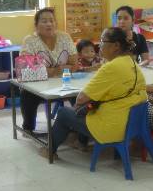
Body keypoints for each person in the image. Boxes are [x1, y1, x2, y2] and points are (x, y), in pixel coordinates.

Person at [46, 27, 146, 157]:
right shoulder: (131, 62)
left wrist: (79, 105)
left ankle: (50, 151)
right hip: (131, 125)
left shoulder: (111, 67)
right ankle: (80, 142)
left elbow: (81, 98)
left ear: (116, 46)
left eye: (103, 41)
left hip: (112, 127)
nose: (99, 45)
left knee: (64, 113)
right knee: (86, 108)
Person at [20, 8, 78, 133]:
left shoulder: (64, 37)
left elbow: (74, 64)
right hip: (38, 84)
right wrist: (57, 70)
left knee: (80, 94)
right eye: (44, 21)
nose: (49, 24)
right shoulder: (30, 41)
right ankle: (28, 128)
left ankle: (79, 128)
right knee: (27, 94)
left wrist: (46, 70)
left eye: (51, 21)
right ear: (36, 25)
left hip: (64, 81)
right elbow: (28, 70)